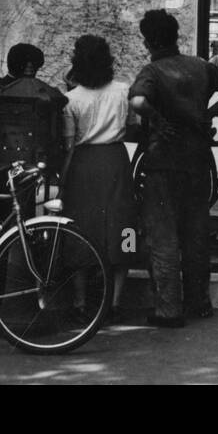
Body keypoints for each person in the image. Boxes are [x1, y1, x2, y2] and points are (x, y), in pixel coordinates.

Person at [129, 10, 218, 327]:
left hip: (162, 161)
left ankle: (169, 309)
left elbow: (138, 103)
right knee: (196, 233)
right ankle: (200, 301)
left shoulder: (152, 71)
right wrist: (211, 112)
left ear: (149, 41)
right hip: (198, 160)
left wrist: (157, 118)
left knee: (164, 235)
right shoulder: (200, 67)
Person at [0, 42, 67, 324]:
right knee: (13, 240)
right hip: (17, 176)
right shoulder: (36, 93)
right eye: (29, 64)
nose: (32, 70)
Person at [60, 35, 138, 320]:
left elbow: (69, 145)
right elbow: (132, 127)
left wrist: (63, 183)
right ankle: (115, 303)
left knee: (79, 230)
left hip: (83, 165)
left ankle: (81, 303)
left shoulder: (71, 99)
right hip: (116, 161)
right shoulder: (122, 91)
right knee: (121, 227)